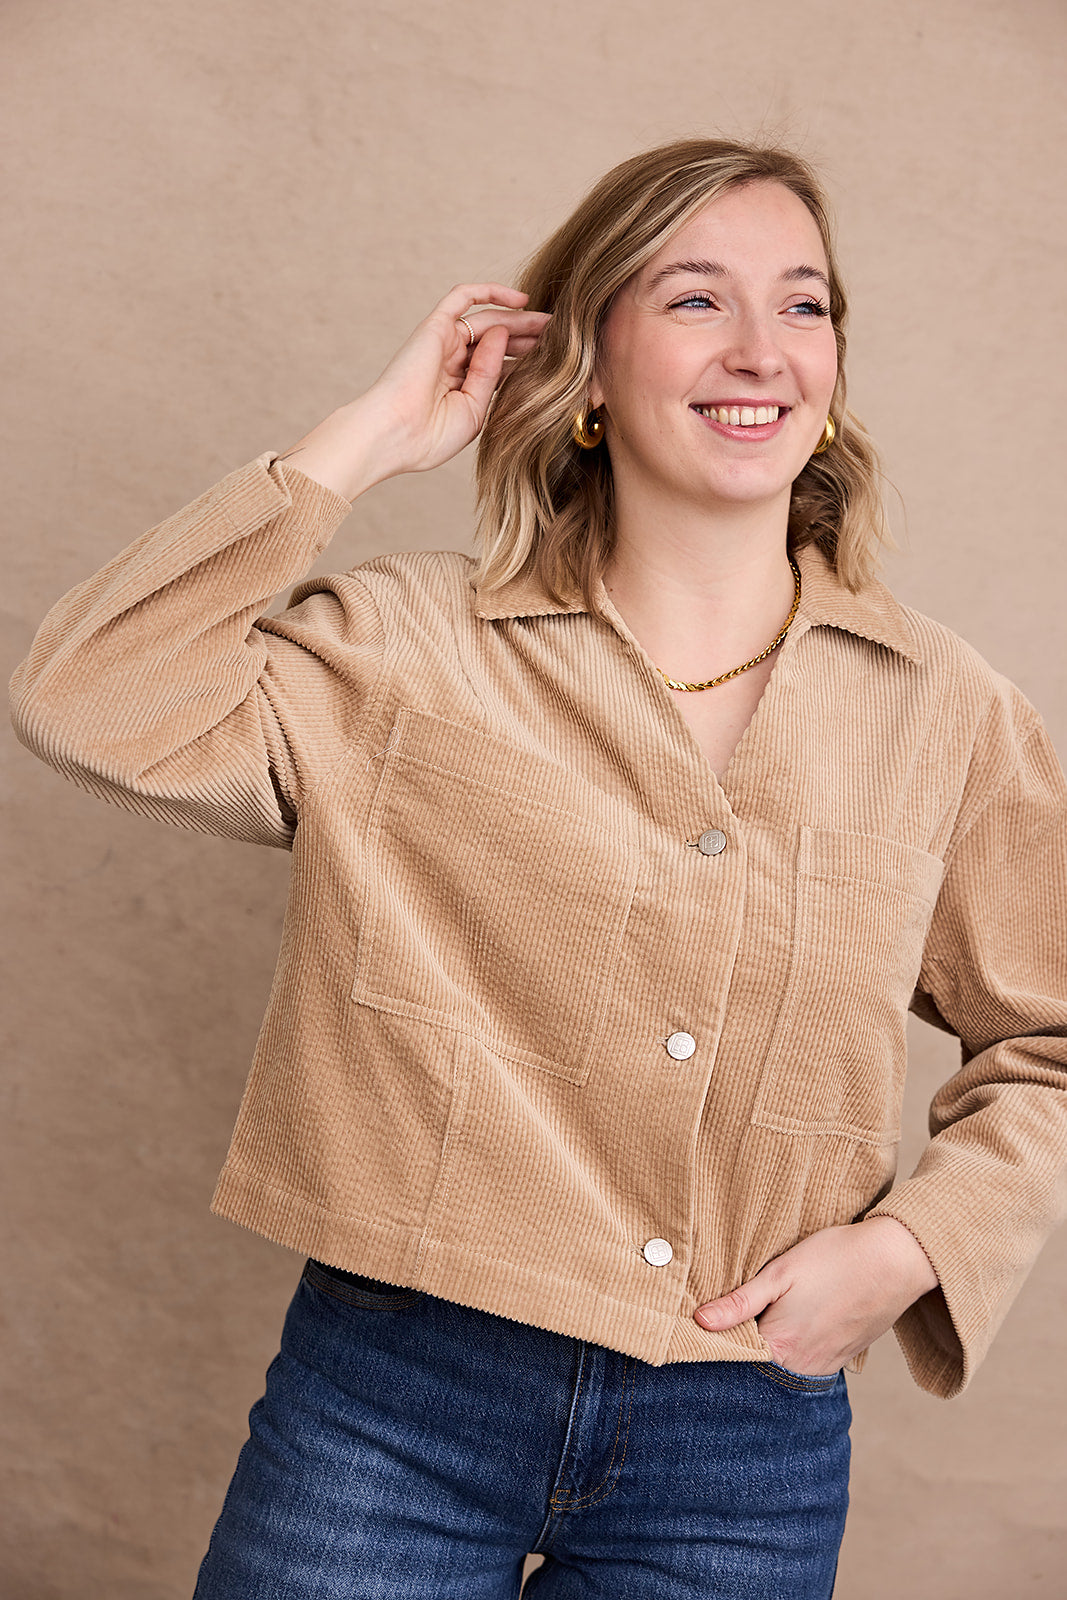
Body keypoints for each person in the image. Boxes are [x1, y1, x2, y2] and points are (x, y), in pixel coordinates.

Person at [10, 137, 1067, 1599]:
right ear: (587, 366)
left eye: (803, 304)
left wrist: (908, 1253)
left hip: (741, 1444)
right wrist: (369, 436)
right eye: (694, 299)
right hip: (392, 1402)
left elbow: (1051, 1038)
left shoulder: (946, 713)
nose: (760, 349)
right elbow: (86, 695)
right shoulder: (403, 649)